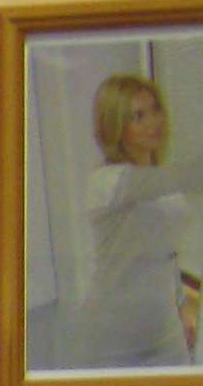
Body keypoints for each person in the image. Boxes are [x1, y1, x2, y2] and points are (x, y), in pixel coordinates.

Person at [78, 68, 201, 367]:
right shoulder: (107, 182)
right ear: (116, 127)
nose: (153, 122)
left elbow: (166, 254)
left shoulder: (162, 184)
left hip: (166, 331)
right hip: (113, 335)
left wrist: (182, 306)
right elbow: (182, 177)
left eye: (155, 110)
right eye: (138, 116)